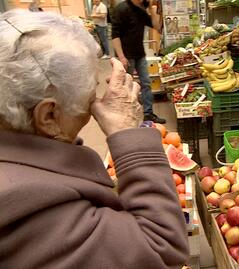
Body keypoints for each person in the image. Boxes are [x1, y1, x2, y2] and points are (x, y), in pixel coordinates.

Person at [0, 9, 188, 268]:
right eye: (92, 95)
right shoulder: (29, 205)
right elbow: (162, 248)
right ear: (49, 116)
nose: (98, 102)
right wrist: (128, 132)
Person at [111, 0, 166, 124]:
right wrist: (122, 57)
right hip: (126, 55)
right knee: (127, 86)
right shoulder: (121, 9)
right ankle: (128, 115)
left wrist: (151, 8)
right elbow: (115, 35)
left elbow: (156, 26)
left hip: (140, 54)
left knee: (146, 83)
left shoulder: (141, 10)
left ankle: (148, 113)